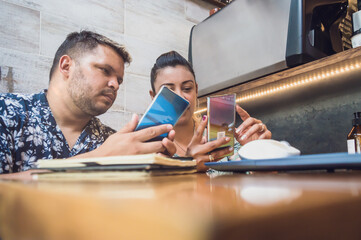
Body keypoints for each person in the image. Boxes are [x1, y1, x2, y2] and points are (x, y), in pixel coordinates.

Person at [0, 31, 176, 174]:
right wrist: (100, 157)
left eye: (119, 81)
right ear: (66, 66)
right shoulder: (7, 112)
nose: (115, 85)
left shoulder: (110, 139)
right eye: (105, 70)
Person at [149, 51, 272, 172]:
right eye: (168, 91)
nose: (180, 97)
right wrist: (188, 166)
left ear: (196, 90)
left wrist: (258, 152)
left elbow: (256, 184)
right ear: (153, 96)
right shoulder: (148, 150)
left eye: (187, 88)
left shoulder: (221, 139)